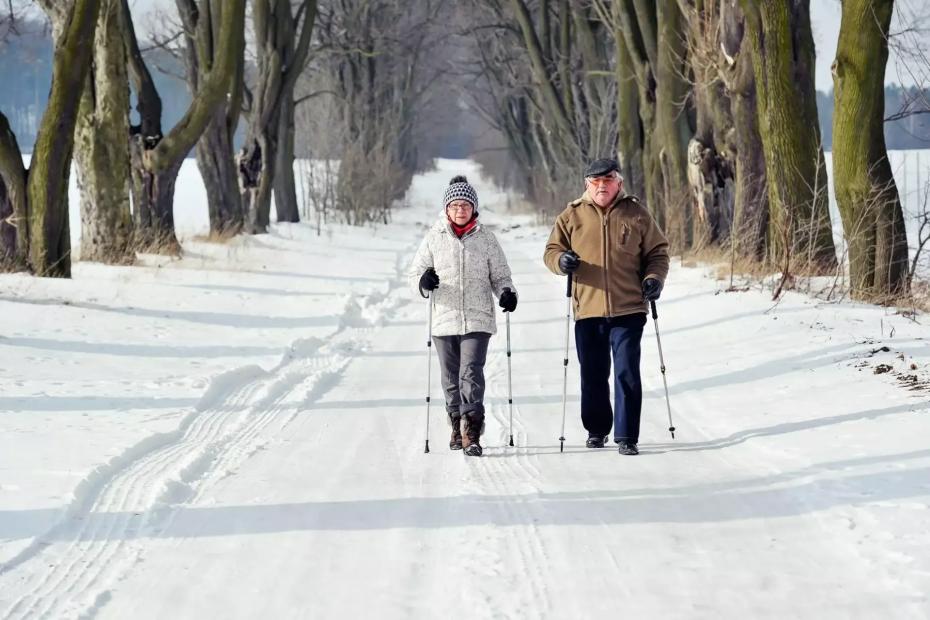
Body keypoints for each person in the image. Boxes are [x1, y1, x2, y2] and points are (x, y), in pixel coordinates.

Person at [543, 158, 669, 455]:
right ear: (587, 185)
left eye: (608, 180)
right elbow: (551, 251)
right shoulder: (571, 215)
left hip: (629, 308)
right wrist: (562, 262)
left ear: (618, 182)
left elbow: (658, 252)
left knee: (626, 371)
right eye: (596, 182)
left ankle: (626, 436)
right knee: (593, 373)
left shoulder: (636, 213)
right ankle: (597, 429)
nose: (602, 186)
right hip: (588, 308)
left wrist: (654, 279)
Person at [410, 175, 518, 457]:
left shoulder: (486, 239)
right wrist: (424, 281)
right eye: (455, 205)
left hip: (478, 317)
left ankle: (471, 432)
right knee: (450, 377)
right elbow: (414, 274)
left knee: (470, 374)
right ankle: (455, 425)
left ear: (474, 208)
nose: (461, 210)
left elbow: (501, 275)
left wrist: (507, 292)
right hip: (444, 318)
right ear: (446, 209)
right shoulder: (434, 238)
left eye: (466, 205)